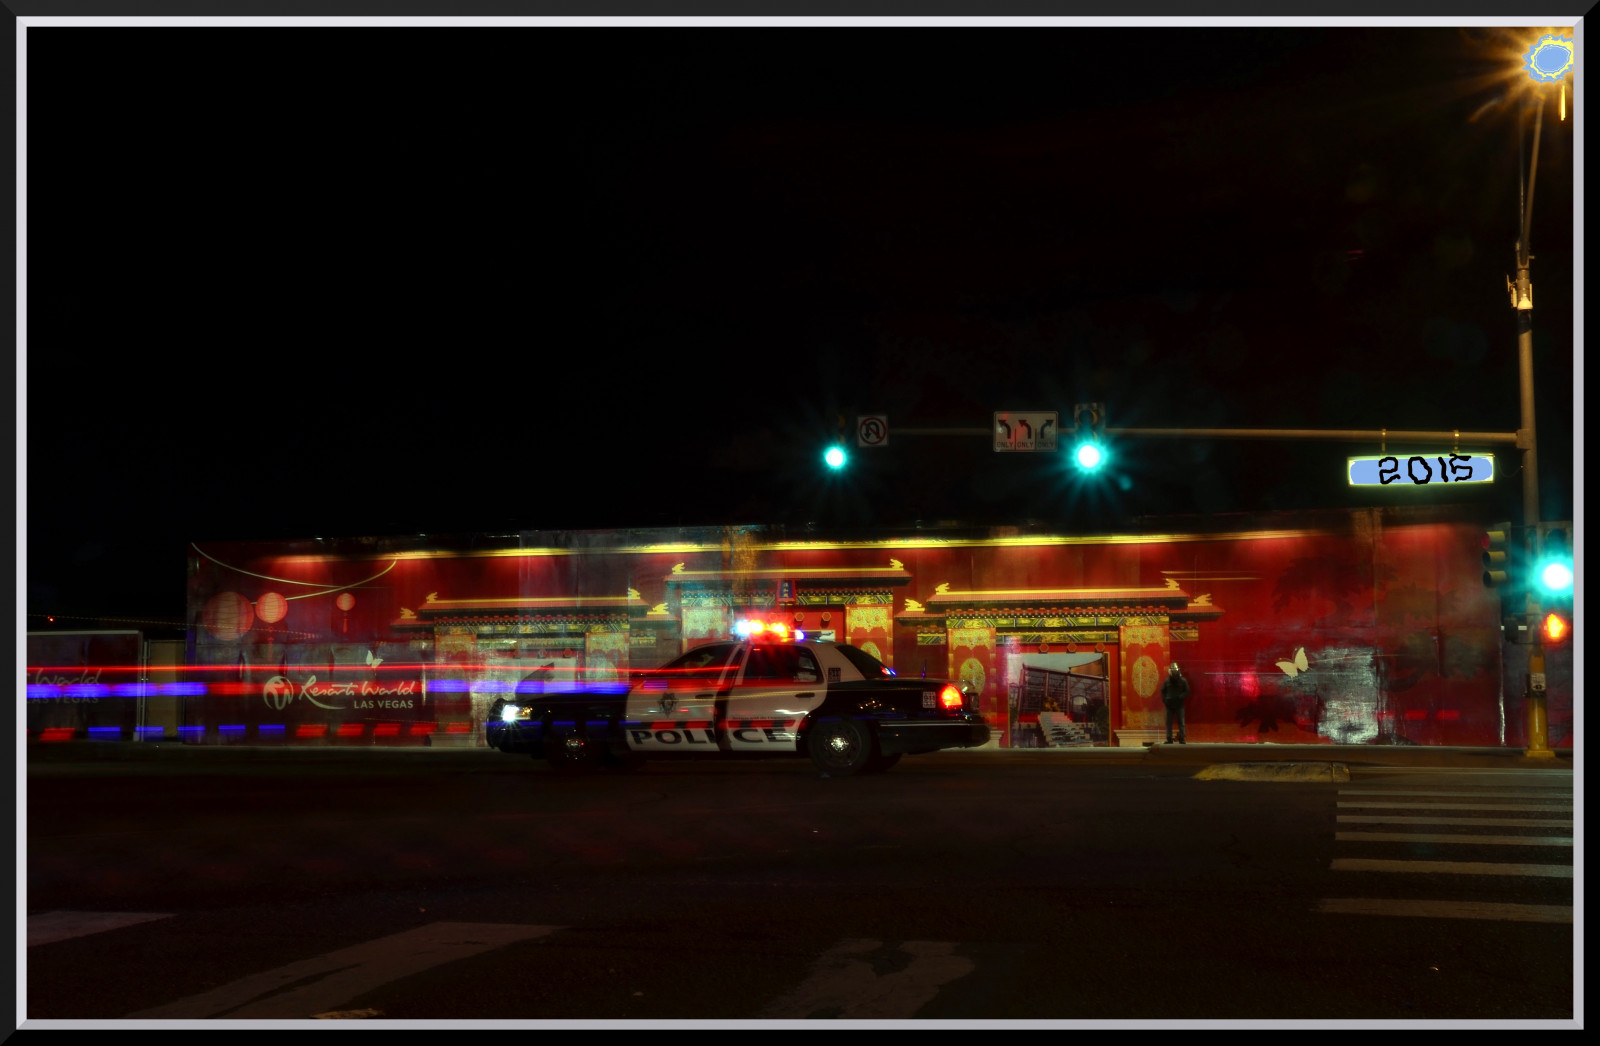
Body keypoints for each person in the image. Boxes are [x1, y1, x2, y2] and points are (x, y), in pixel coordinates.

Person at [1162, 662, 1190, 744]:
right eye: (1172, 670)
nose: (1174, 672)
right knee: (1169, 723)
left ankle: (1182, 738)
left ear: (1178, 671)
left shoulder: (1183, 680)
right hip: (1169, 705)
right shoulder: (1167, 681)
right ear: (1170, 671)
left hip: (1179, 704)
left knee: (1181, 722)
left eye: (1175, 670)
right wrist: (1165, 700)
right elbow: (1163, 691)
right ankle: (1169, 738)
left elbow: (1187, 691)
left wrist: (1180, 697)